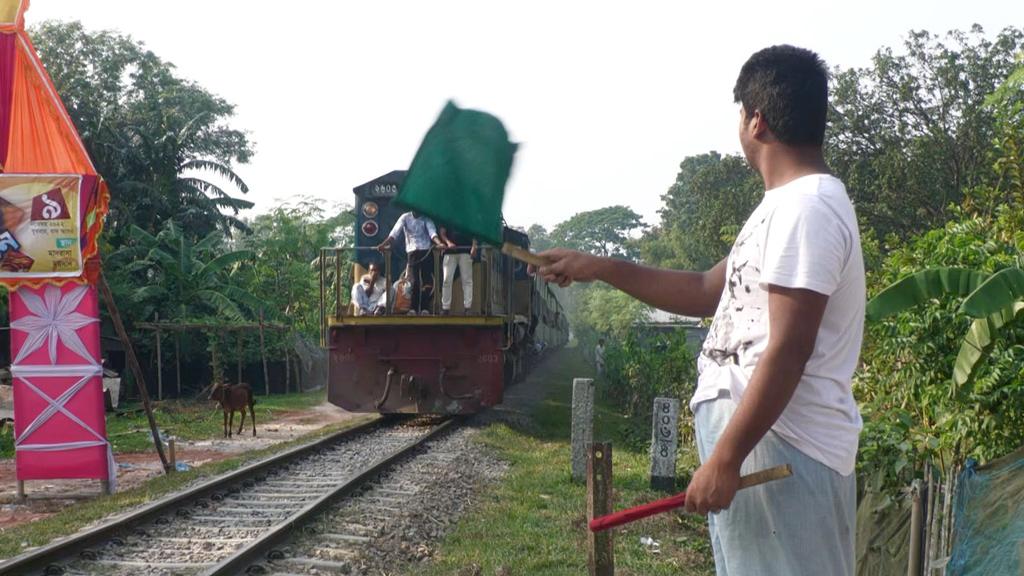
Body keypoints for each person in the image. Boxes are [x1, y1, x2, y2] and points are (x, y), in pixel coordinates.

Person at [535, 46, 863, 576]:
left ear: (756, 120)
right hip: (766, 443)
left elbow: (790, 346)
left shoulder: (807, 208)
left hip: (784, 447)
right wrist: (598, 266)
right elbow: (708, 288)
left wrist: (728, 456)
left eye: (740, 113)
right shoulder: (783, 207)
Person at [377, 211, 445, 315]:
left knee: (426, 281)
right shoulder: (405, 217)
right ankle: (413, 308)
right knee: (414, 281)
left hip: (425, 251)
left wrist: (439, 243)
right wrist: (383, 244)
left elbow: (432, 233)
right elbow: (394, 233)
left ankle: (424, 309)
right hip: (412, 252)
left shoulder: (426, 218)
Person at [439, 225, 478, 315]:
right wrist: (448, 243)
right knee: (446, 280)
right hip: (449, 251)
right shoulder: (447, 214)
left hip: (465, 250)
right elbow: (442, 232)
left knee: (467, 280)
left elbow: (475, 231)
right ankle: (445, 308)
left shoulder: (468, 214)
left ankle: (467, 308)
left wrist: (474, 246)